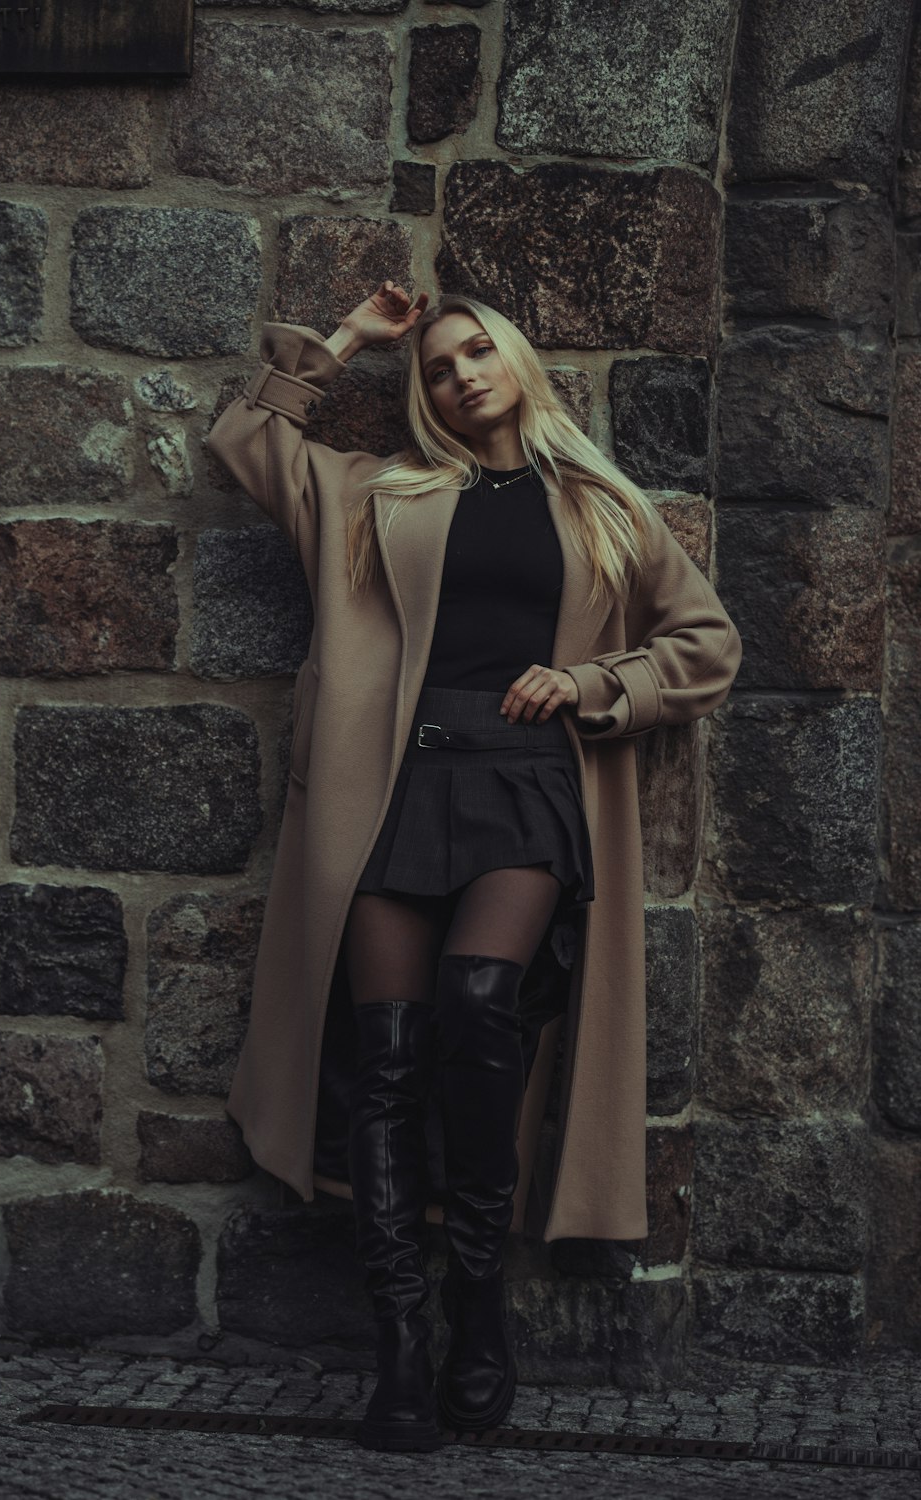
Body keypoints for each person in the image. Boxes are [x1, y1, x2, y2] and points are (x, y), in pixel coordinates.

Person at [205, 281, 742, 1455]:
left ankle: (478, 1299)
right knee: (388, 1057)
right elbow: (248, 439)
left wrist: (595, 684)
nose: (457, 375)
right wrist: (347, 343)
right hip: (394, 790)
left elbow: (704, 647)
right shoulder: (375, 493)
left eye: (475, 352)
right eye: (438, 367)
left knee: (479, 1003)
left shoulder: (602, 506)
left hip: (529, 785)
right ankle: (402, 1345)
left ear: (518, 362)